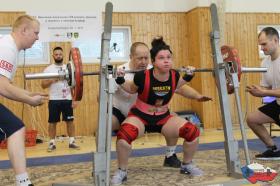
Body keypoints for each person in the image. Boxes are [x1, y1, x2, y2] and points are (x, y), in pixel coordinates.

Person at [111, 37, 206, 185]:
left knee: (192, 131)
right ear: (154, 62)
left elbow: (179, 85)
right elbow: (130, 89)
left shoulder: (174, 74)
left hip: (163, 117)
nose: (166, 61)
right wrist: (119, 79)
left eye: (169, 57)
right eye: (161, 58)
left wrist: (189, 77)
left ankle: (187, 165)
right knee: (124, 136)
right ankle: (122, 171)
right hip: (140, 117)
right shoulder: (142, 76)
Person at [0, 15, 48, 186]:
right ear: (24, 30)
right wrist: (28, 100)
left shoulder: (8, 45)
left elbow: (6, 85)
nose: (37, 37)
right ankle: (23, 182)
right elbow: (3, 87)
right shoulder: (7, 47)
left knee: (14, 128)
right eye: (35, 33)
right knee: (15, 128)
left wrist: (28, 94)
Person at [246, 27, 280, 160]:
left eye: (264, 44)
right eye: (260, 45)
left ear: (276, 40)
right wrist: (257, 90)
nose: (261, 48)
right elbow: (268, 87)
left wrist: (264, 92)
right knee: (252, 119)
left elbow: (267, 91)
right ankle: (273, 149)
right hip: (278, 103)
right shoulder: (265, 62)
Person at [41, 46, 80, 152]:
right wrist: (53, 79)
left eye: (60, 54)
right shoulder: (48, 69)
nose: (58, 56)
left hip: (67, 99)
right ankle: (52, 143)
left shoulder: (69, 68)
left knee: (70, 121)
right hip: (54, 100)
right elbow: (43, 85)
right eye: (56, 54)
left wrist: (75, 99)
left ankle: (72, 142)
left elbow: (74, 85)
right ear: (53, 56)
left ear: (63, 55)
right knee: (52, 122)